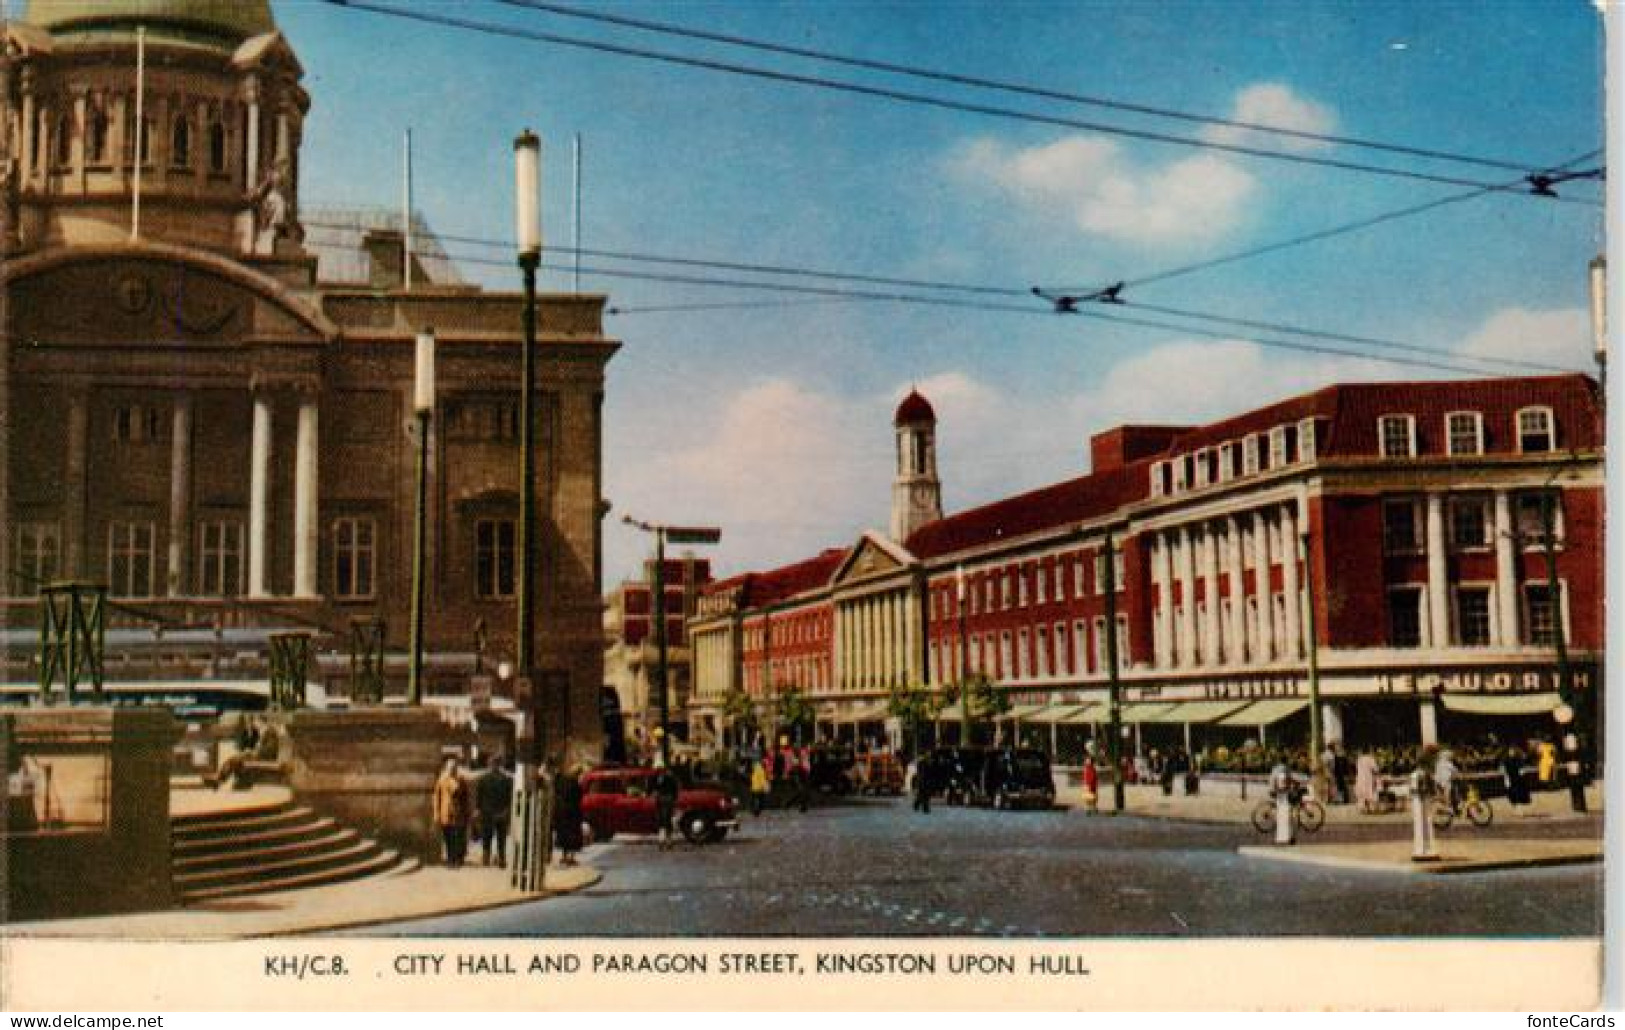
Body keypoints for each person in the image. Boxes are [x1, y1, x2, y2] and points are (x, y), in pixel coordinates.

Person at [432, 756, 473, 868]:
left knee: (459, 837)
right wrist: (436, 813)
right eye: (450, 767)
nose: (452, 769)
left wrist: (468, 812)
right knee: (448, 837)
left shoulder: (461, 780)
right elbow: (436, 797)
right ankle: (451, 859)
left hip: (459, 813)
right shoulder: (441, 780)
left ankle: (458, 859)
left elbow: (466, 798)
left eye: (454, 767)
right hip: (445, 813)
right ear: (446, 768)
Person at [475, 754, 514, 867]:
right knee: (501, 838)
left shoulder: (483, 779)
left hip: (487, 812)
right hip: (501, 811)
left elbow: (479, 796)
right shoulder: (506, 779)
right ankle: (501, 859)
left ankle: (486, 858)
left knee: (487, 836)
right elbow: (509, 797)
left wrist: (478, 809)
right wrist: (507, 810)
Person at [552, 763, 584, 865]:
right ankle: (571, 858)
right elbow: (578, 798)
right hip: (573, 813)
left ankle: (564, 856)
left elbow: (556, 791)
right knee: (573, 836)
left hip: (561, 813)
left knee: (563, 835)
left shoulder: (562, 781)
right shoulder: (575, 784)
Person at [653, 763, 680, 850]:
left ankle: (662, 840)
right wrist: (674, 799)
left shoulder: (658, 778)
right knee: (667, 820)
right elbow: (676, 789)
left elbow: (654, 789)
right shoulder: (671, 777)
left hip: (662, 798)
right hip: (668, 798)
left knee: (662, 820)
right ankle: (668, 841)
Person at [1501, 746, 1532, 817]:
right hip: (1510, 779)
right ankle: (1516, 810)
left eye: (1513, 751)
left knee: (1518, 796)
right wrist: (1506, 778)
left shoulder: (1518, 759)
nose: (1512, 753)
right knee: (1511, 796)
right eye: (1511, 751)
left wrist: (1522, 771)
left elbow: (1522, 768)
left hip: (1518, 780)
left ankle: (1520, 811)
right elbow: (1503, 770)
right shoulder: (1505, 760)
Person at [1354, 749, 1380, 814]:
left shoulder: (1359, 759)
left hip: (1360, 778)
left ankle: (1363, 808)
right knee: (1369, 793)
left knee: (1362, 794)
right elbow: (1376, 769)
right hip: (1368, 778)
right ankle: (1369, 808)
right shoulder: (1370, 759)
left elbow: (1357, 768)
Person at [1081, 748, 1100, 816]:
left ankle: (1093, 808)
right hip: (1088, 784)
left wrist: (1096, 783)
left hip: (1093, 784)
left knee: (1093, 797)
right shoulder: (1086, 768)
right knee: (1088, 798)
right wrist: (1086, 784)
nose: (1088, 761)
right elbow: (1085, 777)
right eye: (1087, 760)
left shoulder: (1092, 768)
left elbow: (1094, 777)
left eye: (1089, 760)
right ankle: (1088, 809)